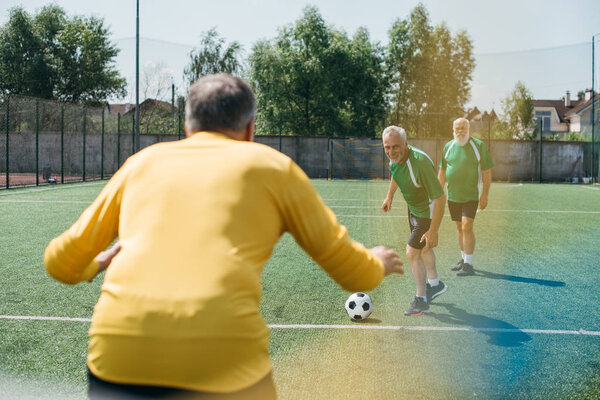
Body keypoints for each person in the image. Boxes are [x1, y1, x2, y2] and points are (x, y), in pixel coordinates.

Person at [44, 73, 404, 400]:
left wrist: (98, 263)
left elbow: (60, 263)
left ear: (187, 128)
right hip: (227, 365)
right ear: (250, 129)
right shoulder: (275, 168)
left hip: (119, 358)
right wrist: (378, 263)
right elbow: (351, 272)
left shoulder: (140, 163)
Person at [381, 126, 447, 316]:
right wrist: (389, 197)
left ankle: (421, 300)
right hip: (413, 209)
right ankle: (435, 284)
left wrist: (433, 230)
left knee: (412, 252)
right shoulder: (394, 158)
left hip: (427, 211)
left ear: (406, 144)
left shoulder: (420, 163)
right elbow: (396, 173)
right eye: (387, 147)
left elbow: (440, 198)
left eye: (395, 147)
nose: (391, 152)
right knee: (424, 248)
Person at [438, 117, 494, 276]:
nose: (460, 131)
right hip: (453, 195)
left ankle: (468, 264)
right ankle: (463, 259)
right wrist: (437, 192)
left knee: (466, 225)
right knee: (458, 227)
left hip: (471, 195)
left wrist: (485, 194)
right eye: (457, 128)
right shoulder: (448, 147)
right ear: (453, 130)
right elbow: (442, 172)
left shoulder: (479, 146)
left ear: (468, 129)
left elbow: (487, 171)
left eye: (463, 128)